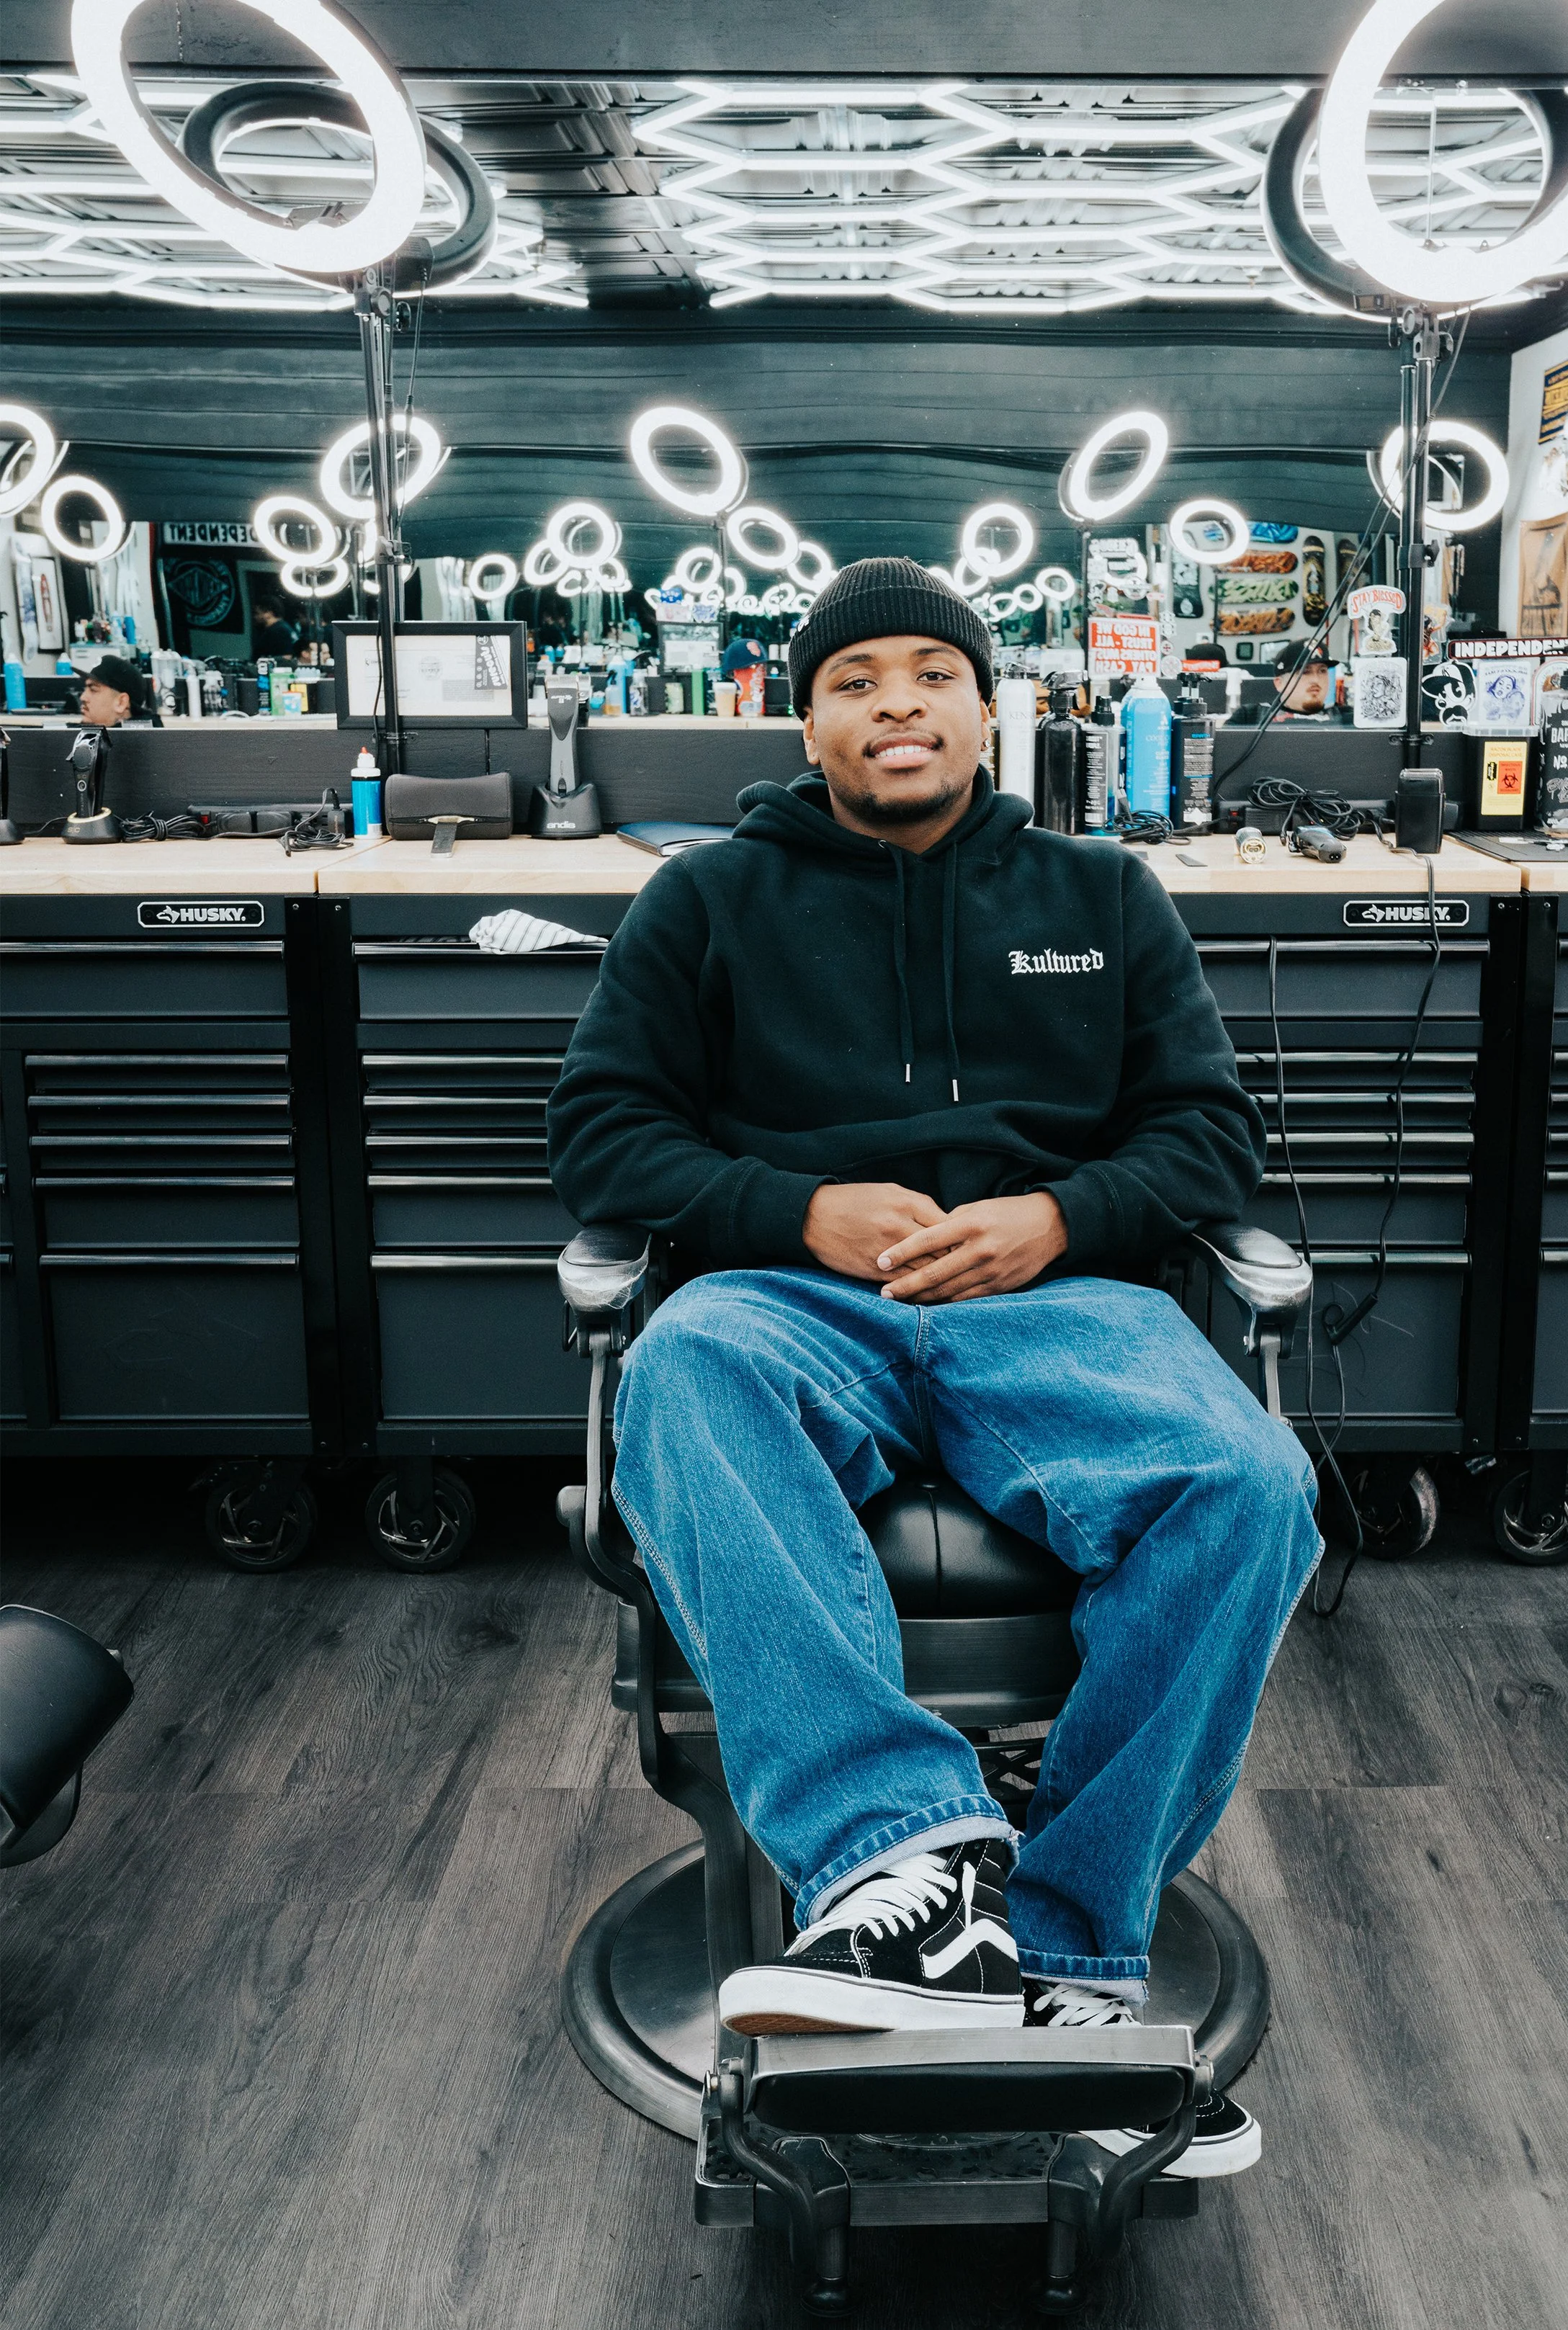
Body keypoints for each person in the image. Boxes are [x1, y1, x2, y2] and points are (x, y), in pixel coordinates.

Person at [547, 557, 1320, 2179]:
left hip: (1052, 1308)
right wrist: (789, 1210)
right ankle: (904, 1869)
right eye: (853, 679)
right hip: (789, 1298)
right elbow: (599, 1136)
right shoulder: (702, 901)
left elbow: (1207, 1137)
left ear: (985, 705)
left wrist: (1060, 1213)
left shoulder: (1103, 898)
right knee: (688, 1368)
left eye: (927, 672)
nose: (894, 701)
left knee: (1250, 1484)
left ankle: (1067, 1960)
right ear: (804, 715)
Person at [78, 653, 157, 727]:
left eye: (93, 690)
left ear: (121, 703)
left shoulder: (141, 742)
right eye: (85, 689)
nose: (83, 697)